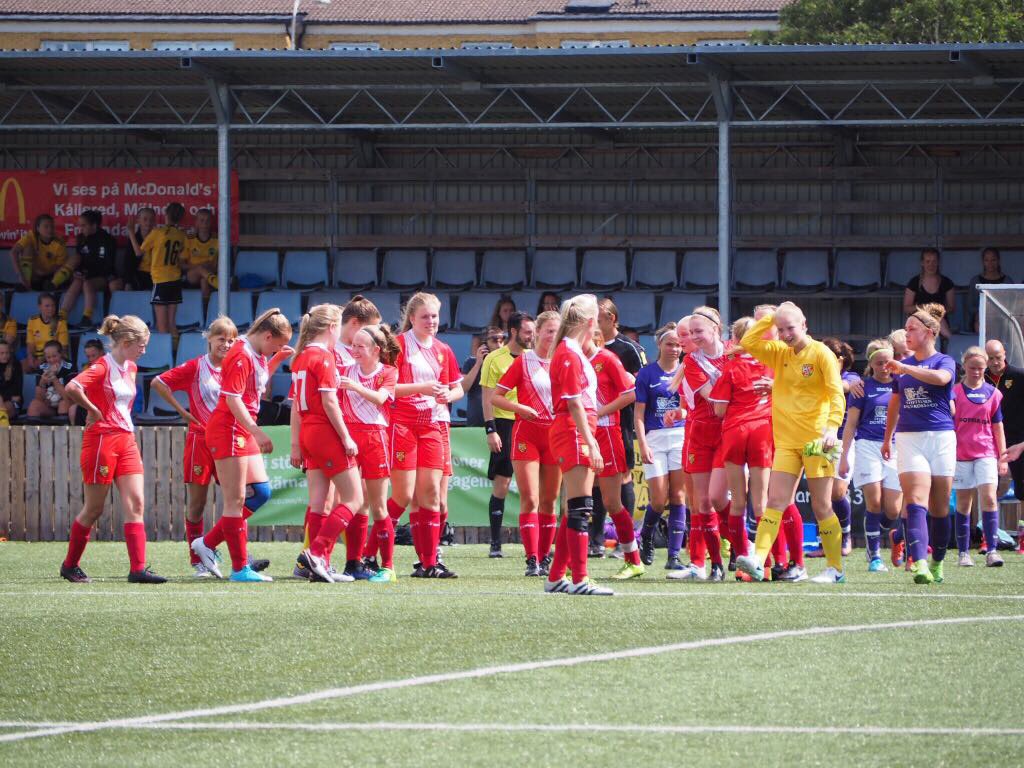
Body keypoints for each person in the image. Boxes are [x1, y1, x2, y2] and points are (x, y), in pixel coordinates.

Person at [736, 301, 848, 584]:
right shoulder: (779, 352)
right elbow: (749, 341)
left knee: (822, 505)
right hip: (786, 442)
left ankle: (835, 569)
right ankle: (758, 560)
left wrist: (832, 428)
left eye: (791, 328)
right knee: (775, 501)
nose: (785, 334)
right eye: (781, 329)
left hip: (816, 441)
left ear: (805, 325)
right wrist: (771, 318)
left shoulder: (822, 353)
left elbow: (836, 394)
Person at [60, 314, 165, 584]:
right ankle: (70, 565)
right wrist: (93, 409)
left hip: (125, 438)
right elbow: (73, 387)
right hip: (102, 440)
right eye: (141, 345)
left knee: (136, 503)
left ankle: (138, 569)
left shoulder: (131, 367)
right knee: (94, 508)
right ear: (127, 342)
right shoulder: (102, 366)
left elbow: (121, 405)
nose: (144, 351)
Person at [191, 308, 293, 582]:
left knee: (260, 492)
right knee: (235, 501)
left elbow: (255, 383)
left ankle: (208, 543)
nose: (279, 349)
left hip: (240, 430)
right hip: (228, 429)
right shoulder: (240, 354)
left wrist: (276, 359)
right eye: (279, 344)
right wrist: (257, 432)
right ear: (267, 335)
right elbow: (233, 399)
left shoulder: (256, 353)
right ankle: (239, 569)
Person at [151, 316, 251, 578]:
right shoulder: (196, 367)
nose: (226, 345)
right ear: (209, 339)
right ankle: (198, 561)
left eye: (231, 340)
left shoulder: (235, 367)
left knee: (240, 499)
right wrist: (182, 412)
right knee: (197, 503)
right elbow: (158, 383)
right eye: (221, 339)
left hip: (228, 439)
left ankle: (241, 558)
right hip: (201, 440)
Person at [287, 304, 364, 584]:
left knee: (319, 502)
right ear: (332, 327)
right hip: (324, 430)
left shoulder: (301, 357)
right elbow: (330, 401)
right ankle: (318, 553)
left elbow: (296, 404)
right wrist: (346, 436)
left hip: (308, 430)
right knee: (354, 498)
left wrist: (296, 443)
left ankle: (319, 564)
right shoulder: (324, 357)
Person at [388, 292, 463, 578]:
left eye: (434, 316)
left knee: (432, 495)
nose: (431, 321)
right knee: (406, 496)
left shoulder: (444, 349)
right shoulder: (399, 345)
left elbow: (457, 388)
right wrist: (420, 388)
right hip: (404, 423)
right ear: (411, 318)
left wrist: (448, 394)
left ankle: (429, 562)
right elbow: (387, 388)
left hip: (434, 422)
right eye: (425, 317)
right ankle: (375, 554)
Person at [881, 303, 957, 585]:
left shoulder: (943, 361)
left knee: (940, 509)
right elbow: (895, 402)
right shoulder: (903, 366)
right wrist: (887, 438)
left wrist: (905, 369)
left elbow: (941, 379)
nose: (907, 333)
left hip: (941, 438)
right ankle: (920, 563)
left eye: (912, 328)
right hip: (909, 437)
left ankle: (937, 560)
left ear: (929, 332)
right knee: (915, 501)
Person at [543, 294, 613, 596]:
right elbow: (574, 404)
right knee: (582, 507)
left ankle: (557, 576)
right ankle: (580, 578)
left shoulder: (570, 351)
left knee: (575, 506)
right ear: (590, 321)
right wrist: (591, 443)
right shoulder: (569, 354)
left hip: (573, 428)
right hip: (573, 429)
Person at [492, 310, 562, 576]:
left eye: (557, 332)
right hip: (527, 434)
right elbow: (496, 397)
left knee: (550, 500)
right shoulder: (524, 361)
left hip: (555, 436)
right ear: (537, 333)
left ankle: (545, 558)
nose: (552, 336)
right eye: (548, 331)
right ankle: (531, 559)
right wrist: (519, 407)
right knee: (530, 498)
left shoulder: (563, 361)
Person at [710, 314, 777, 581]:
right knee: (761, 504)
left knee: (737, 503)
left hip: (735, 431)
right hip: (762, 430)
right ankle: (767, 564)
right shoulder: (773, 364)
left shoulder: (731, 367)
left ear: (736, 339)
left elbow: (719, 409)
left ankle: (741, 564)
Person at [336, 323, 400, 583]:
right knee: (354, 503)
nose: (355, 350)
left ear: (376, 350)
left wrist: (356, 387)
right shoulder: (344, 371)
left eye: (360, 346)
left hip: (375, 438)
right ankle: (353, 562)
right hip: (349, 438)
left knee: (377, 505)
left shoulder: (388, 372)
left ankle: (389, 567)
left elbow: (382, 399)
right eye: (353, 345)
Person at [674, 306, 728, 582]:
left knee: (718, 500)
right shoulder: (688, 363)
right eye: (683, 335)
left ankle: (747, 549)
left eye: (690, 334)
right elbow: (691, 402)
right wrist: (680, 412)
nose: (685, 340)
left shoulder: (717, 356)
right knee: (698, 502)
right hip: (695, 431)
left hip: (725, 431)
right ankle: (698, 562)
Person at [839, 338, 902, 573]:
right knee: (873, 502)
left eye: (887, 362)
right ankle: (874, 554)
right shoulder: (862, 387)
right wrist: (845, 456)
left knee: (893, 510)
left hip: (896, 447)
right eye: (879, 362)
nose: (884, 366)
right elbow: (851, 423)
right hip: (867, 445)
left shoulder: (901, 384)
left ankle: (889, 533)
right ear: (871, 364)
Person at [592, 297, 647, 558]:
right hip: (593, 424)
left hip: (620, 421)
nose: (594, 323)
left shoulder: (628, 349)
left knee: (621, 475)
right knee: (592, 477)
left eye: (599, 318)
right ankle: (596, 538)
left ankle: (628, 539)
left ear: (611, 319)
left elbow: (640, 386)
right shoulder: (585, 351)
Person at [481, 312, 535, 557]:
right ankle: (495, 543)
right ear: (513, 331)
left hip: (530, 423)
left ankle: (535, 546)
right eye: (527, 331)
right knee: (501, 484)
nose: (531, 336)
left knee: (533, 488)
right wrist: (490, 429)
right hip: (504, 423)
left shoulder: (533, 358)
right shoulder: (494, 359)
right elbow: (487, 397)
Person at [635, 323, 687, 571]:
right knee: (658, 499)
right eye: (670, 344)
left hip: (680, 436)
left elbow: (694, 405)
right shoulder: (647, 374)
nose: (675, 349)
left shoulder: (687, 371)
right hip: (655, 438)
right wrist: (643, 443)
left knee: (678, 496)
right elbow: (638, 414)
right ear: (659, 345)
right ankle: (646, 534)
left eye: (678, 344)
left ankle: (674, 556)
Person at [952, 346, 1007, 568]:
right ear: (964, 365)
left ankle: (992, 551)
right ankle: (963, 553)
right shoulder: (954, 392)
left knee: (990, 498)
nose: (976, 372)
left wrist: (1002, 457)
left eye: (980, 368)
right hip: (960, 453)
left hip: (986, 452)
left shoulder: (993, 393)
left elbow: (998, 427)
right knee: (964, 503)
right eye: (972, 367)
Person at [821, 337, 860, 556]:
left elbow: (845, 386)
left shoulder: (851, 377)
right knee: (821, 496)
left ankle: (845, 537)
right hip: (818, 437)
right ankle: (824, 543)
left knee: (838, 492)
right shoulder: (817, 378)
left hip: (843, 439)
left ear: (840, 361)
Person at [61, 210, 122, 326]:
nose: (81, 229)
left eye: (84, 225)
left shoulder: (108, 240)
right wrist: (78, 272)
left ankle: (87, 317)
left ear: (94, 225)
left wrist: (87, 274)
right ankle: (62, 316)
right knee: (77, 281)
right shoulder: (81, 238)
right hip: (85, 275)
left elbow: (108, 266)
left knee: (86, 283)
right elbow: (80, 260)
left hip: (102, 277)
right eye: (80, 226)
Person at [985, 339, 1024, 506]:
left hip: (1017, 439)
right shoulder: (980, 378)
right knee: (989, 488)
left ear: (1005, 355)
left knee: (1022, 490)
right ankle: (986, 530)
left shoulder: (1019, 375)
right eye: (990, 358)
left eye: (998, 357)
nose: (994, 362)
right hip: (989, 441)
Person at [140, 202, 187, 335]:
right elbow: (181, 257)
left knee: (162, 325)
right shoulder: (181, 235)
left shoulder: (158, 232)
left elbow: (139, 251)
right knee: (172, 323)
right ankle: (175, 352)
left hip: (161, 280)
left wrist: (131, 232)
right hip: (175, 279)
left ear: (165, 214)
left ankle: (166, 354)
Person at [904, 249, 955, 346]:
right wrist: (924, 308)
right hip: (918, 320)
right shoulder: (914, 282)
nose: (931, 265)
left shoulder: (947, 282)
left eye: (934, 261)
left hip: (940, 319)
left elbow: (952, 308)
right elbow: (906, 308)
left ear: (938, 262)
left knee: (935, 318)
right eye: (928, 261)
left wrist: (937, 310)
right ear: (922, 263)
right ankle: (953, 341)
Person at [10, 213, 70, 292]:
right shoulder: (31, 236)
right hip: (34, 276)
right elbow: (13, 252)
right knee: (28, 248)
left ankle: (52, 285)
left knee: (69, 263)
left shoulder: (59, 242)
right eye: (46, 226)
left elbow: (59, 266)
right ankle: (25, 284)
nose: (50, 229)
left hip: (51, 276)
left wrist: (44, 273)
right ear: (38, 228)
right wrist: (20, 275)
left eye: (52, 226)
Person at [460, 330, 502, 427]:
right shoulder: (471, 362)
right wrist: (478, 363)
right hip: (476, 420)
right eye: (495, 340)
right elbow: (462, 388)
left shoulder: (506, 363)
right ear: (484, 345)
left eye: (501, 341)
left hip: (500, 419)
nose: (499, 345)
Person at [27, 340, 75, 420]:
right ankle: (37, 432)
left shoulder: (70, 367)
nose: (52, 360)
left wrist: (54, 379)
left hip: (65, 403)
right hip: (49, 405)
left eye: (54, 356)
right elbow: (38, 397)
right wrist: (42, 382)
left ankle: (64, 432)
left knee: (63, 405)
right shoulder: (42, 367)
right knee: (33, 406)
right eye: (48, 357)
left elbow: (69, 397)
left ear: (61, 354)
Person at [22, 293, 69, 374]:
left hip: (54, 357)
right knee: (24, 364)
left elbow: (62, 348)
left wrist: (41, 360)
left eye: (53, 305)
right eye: (47, 306)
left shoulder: (61, 322)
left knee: (45, 368)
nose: (51, 308)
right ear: (40, 307)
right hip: (38, 356)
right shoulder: (32, 321)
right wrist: (30, 357)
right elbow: (30, 344)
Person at [969, 247, 1012, 332]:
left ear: (998, 261)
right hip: (981, 319)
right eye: (987, 260)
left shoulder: (1007, 281)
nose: (990, 263)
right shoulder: (975, 281)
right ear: (983, 262)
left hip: (1002, 320)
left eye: (993, 260)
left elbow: (1011, 305)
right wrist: (980, 313)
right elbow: (971, 306)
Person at [183, 208, 220, 298]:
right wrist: (199, 267)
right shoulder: (189, 239)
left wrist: (209, 267)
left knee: (204, 280)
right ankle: (221, 285)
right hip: (192, 275)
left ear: (211, 222)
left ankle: (205, 308)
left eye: (207, 220)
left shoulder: (217, 239)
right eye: (202, 220)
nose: (205, 223)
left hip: (211, 272)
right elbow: (181, 265)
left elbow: (221, 263)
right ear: (196, 222)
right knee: (200, 269)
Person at [126, 207, 156, 291]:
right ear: (138, 220)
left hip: (155, 274)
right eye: (145, 219)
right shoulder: (133, 239)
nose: (148, 222)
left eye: (151, 220)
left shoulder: (158, 238)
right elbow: (128, 263)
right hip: (139, 274)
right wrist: (128, 282)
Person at [0, 340, 22, 422]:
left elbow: (17, 392)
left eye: (7, 353)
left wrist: (4, 397)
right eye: (2, 353)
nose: (5, 355)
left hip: (13, 403)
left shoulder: (16, 366)